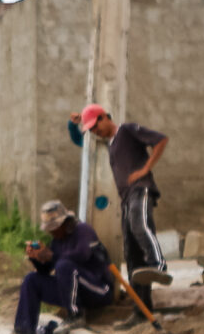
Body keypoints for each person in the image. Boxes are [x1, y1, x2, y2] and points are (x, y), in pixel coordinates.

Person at [70, 104, 173, 295]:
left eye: (95, 126)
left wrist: (145, 169)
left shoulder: (126, 130)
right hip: (126, 198)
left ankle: (158, 264)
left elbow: (161, 140)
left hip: (141, 190)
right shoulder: (110, 144)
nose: (95, 131)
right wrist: (73, 124)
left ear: (104, 117)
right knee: (131, 252)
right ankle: (142, 310)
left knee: (139, 224)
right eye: (91, 129)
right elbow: (79, 140)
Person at [15, 200, 113, 334]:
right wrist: (37, 258)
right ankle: (24, 330)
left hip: (98, 289)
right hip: (72, 291)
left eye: (54, 227)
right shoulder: (57, 240)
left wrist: (52, 256)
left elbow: (81, 255)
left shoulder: (84, 231)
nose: (52, 231)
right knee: (32, 279)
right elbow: (47, 270)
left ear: (65, 223)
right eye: (50, 228)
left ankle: (75, 316)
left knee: (64, 266)